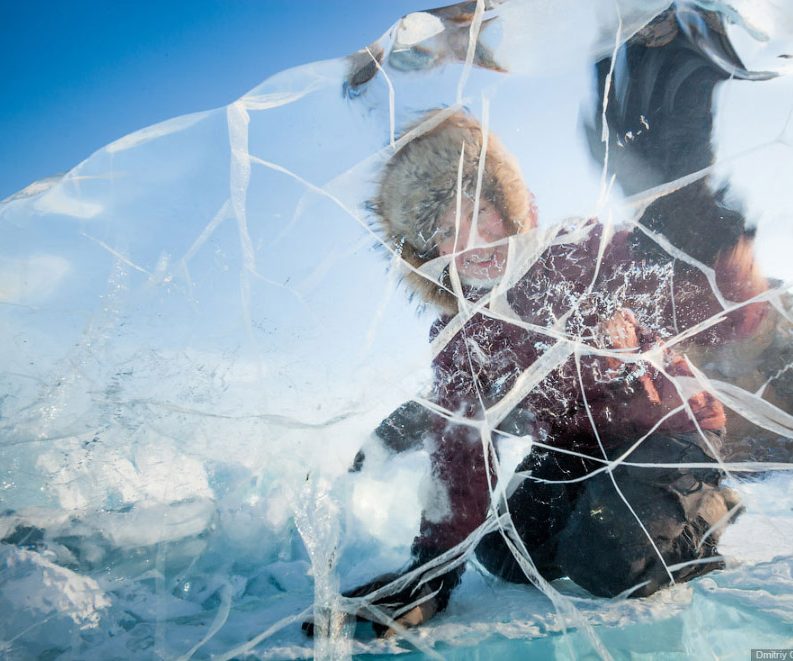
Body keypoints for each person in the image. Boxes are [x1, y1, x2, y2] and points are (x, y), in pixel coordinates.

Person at [312, 110, 769, 638]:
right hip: (574, 450)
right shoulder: (460, 336)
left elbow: (732, 313)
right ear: (428, 253)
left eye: (483, 213)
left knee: (610, 560)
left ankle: (705, 506)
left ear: (512, 209)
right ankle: (601, 506)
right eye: (446, 231)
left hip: (665, 432)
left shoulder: (584, 254)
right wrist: (430, 574)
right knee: (500, 553)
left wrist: (708, 237)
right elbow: (460, 444)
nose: (475, 243)